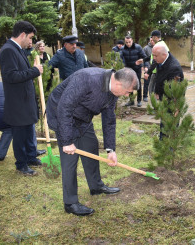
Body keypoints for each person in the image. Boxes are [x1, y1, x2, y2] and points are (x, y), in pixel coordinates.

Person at [46, 67, 139, 216]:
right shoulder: (87, 79)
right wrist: (67, 140)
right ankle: (70, 203)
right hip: (61, 114)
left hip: (83, 117)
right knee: (70, 159)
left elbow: (109, 120)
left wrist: (111, 149)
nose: (127, 95)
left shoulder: (112, 91)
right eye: (128, 92)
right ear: (119, 85)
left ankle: (96, 186)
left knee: (90, 146)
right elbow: (65, 108)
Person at [0, 21, 43, 176]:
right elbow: (11, 76)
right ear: (23, 34)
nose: (30, 41)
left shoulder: (17, 49)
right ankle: (21, 164)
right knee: (20, 135)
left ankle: (31, 157)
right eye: (30, 37)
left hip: (25, 100)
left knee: (28, 130)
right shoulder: (8, 50)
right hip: (17, 103)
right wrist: (35, 71)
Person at [150, 45, 184, 140]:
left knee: (172, 125)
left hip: (172, 101)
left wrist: (176, 107)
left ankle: (171, 148)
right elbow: (159, 77)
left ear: (164, 55)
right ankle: (163, 142)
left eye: (155, 56)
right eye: (153, 55)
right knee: (164, 122)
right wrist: (157, 91)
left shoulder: (174, 68)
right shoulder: (160, 60)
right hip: (164, 98)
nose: (154, 58)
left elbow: (176, 90)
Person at [119, 35, 148, 107]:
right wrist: (120, 64)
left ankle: (139, 100)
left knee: (138, 84)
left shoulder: (138, 47)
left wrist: (146, 66)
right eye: (126, 42)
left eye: (129, 42)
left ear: (132, 41)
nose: (128, 44)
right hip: (128, 69)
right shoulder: (122, 49)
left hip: (137, 68)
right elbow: (119, 58)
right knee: (129, 85)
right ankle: (131, 100)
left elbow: (144, 57)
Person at [143, 30, 170, 95]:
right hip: (162, 70)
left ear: (155, 37)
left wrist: (148, 72)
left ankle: (154, 104)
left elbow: (155, 61)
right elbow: (152, 56)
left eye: (152, 37)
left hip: (157, 71)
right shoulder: (163, 44)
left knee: (151, 90)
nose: (151, 39)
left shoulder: (158, 45)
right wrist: (144, 60)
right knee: (158, 89)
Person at [142, 37, 155, 102]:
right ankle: (145, 96)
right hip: (148, 69)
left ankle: (154, 96)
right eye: (151, 40)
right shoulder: (146, 48)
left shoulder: (157, 47)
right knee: (146, 83)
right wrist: (146, 67)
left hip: (155, 69)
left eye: (153, 40)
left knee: (154, 84)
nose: (152, 41)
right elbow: (144, 58)